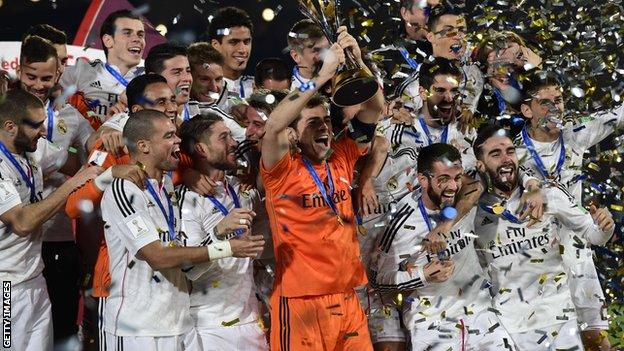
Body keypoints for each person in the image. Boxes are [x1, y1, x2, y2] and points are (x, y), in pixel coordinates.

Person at [99, 109, 264, 350]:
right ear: (143, 146)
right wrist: (225, 247)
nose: (177, 141)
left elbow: (188, 266)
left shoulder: (167, 187)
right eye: (168, 136)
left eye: (175, 135)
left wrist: (218, 235)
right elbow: (157, 256)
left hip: (178, 323)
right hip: (137, 329)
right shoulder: (124, 190)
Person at [261, 25, 383, 350]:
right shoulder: (281, 170)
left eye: (326, 122)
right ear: (294, 133)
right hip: (301, 301)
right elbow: (273, 126)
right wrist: (319, 77)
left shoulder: (341, 155)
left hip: (347, 297)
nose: (324, 129)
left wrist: (358, 63)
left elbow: (374, 109)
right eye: (313, 123)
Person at [473, 124, 615, 350]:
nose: (506, 159)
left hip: (560, 319)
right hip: (510, 326)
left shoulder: (550, 193)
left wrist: (605, 226)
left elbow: (594, 235)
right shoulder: (474, 212)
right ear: (480, 164)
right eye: (495, 154)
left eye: (510, 151)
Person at [64, 74, 178, 351]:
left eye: (172, 99)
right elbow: (73, 205)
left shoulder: (176, 143)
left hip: (169, 282)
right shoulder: (114, 146)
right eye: (161, 102)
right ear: (137, 111)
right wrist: (110, 173)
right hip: (123, 281)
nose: (172, 107)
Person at [515, 71, 624, 350]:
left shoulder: (575, 133)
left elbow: (618, 114)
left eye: (559, 100)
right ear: (527, 109)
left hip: (578, 256)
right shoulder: (511, 152)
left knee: (597, 340)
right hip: (537, 263)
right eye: (545, 103)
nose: (556, 108)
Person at [375, 143, 516, 350]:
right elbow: (380, 281)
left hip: (479, 311)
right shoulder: (401, 224)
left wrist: (445, 224)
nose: (452, 187)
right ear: (423, 179)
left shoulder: (462, 198)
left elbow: (477, 186)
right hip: (431, 320)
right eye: (443, 180)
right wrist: (423, 275)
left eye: (457, 178)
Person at [0, 89, 101, 351]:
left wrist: (109, 129)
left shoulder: (33, 147)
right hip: (6, 287)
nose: (44, 131)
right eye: (36, 125)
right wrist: (72, 185)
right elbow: (21, 223)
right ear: (10, 127)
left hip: (35, 277)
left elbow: (81, 161)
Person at [17, 34, 95, 346]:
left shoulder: (71, 117)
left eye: (46, 78)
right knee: (13, 332)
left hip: (57, 235)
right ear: (20, 70)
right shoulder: (5, 110)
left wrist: (113, 130)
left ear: (59, 74)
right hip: (12, 241)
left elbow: (95, 152)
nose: (37, 84)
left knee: (61, 325)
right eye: (30, 76)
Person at [177, 114, 268, 350]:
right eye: (223, 137)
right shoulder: (187, 201)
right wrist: (219, 233)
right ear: (201, 149)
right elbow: (189, 268)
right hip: (211, 326)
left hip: (251, 320)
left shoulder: (238, 188)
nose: (234, 143)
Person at [60, 9, 145, 127]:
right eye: (127, 33)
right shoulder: (81, 72)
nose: (137, 39)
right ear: (108, 40)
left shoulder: (148, 83)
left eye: (140, 35)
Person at [207, 6, 254, 99]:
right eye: (233, 42)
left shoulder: (257, 87)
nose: (242, 50)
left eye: (246, 42)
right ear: (215, 45)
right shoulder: (202, 90)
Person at [286, 19, 330, 92]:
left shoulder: (341, 74)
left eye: (328, 48)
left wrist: (356, 58)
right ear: (296, 56)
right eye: (317, 50)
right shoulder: (290, 95)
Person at [188, 42, 229, 110]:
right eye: (205, 79)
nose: (214, 88)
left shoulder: (232, 106)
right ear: (189, 77)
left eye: (218, 79)